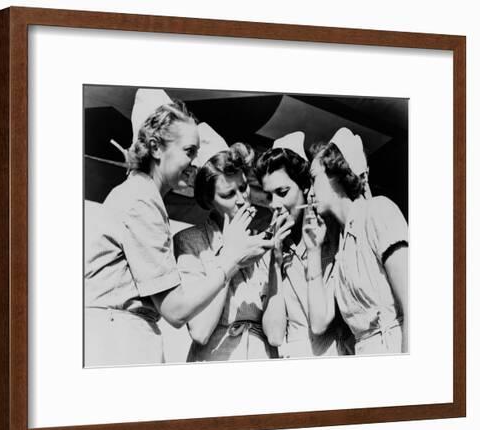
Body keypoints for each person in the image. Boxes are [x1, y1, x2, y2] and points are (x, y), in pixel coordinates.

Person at [84, 89, 272, 366]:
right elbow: (175, 310)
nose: (196, 162)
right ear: (156, 147)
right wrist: (231, 259)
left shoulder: (141, 195)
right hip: (120, 338)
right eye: (189, 151)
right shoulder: (141, 201)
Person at [174, 125, 279, 362]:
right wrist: (230, 258)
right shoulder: (190, 242)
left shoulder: (262, 242)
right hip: (216, 359)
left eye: (243, 188)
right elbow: (200, 332)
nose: (242, 200)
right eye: (228, 195)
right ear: (208, 201)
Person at [304, 127, 408, 355]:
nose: (309, 193)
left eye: (313, 180)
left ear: (336, 174)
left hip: (393, 349)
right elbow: (319, 323)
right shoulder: (342, 244)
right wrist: (313, 251)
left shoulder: (378, 211)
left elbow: (414, 305)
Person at [256, 131, 346, 358]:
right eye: (268, 196)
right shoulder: (271, 248)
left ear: (306, 187)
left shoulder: (335, 233)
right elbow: (275, 336)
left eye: (282, 192)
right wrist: (274, 265)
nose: (274, 204)